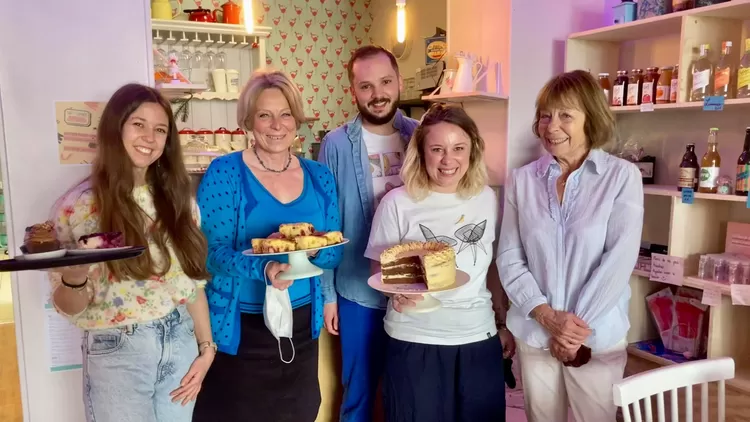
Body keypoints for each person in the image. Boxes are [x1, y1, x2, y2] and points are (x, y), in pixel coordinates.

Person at [49, 83, 214, 422]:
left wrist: (206, 349)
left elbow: (192, 284)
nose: (149, 138)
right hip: (118, 350)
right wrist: (75, 278)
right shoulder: (79, 206)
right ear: (116, 128)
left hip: (180, 340)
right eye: (138, 124)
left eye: (160, 130)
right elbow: (67, 306)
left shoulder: (180, 201)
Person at [192, 69, 342, 422]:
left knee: (300, 411)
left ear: (297, 119)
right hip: (241, 328)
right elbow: (210, 255)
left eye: (285, 114)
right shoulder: (225, 172)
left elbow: (335, 250)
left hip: (302, 326)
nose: (276, 125)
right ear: (248, 121)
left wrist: (310, 248)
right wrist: (264, 266)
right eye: (264, 115)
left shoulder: (320, 176)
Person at [496, 69, 644, 422]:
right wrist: (546, 317)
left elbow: (619, 260)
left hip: (594, 335)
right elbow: (509, 257)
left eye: (565, 115)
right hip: (535, 331)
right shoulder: (522, 180)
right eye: (545, 115)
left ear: (590, 118)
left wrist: (573, 331)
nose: (551, 126)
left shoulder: (621, 177)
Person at [365, 103, 515, 422]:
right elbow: (379, 269)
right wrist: (396, 293)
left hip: (477, 337)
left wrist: (502, 324)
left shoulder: (487, 199)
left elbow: (491, 269)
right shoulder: (397, 204)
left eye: (458, 148)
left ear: (472, 150)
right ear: (421, 153)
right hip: (414, 339)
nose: (449, 160)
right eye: (437, 149)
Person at [318, 44, 419, 422]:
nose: (377, 94)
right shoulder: (336, 144)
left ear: (398, 82)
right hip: (357, 288)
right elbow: (326, 227)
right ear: (353, 91)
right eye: (365, 86)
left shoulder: (421, 137)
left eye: (385, 82)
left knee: (406, 387)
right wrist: (328, 296)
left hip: (412, 284)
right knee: (357, 392)